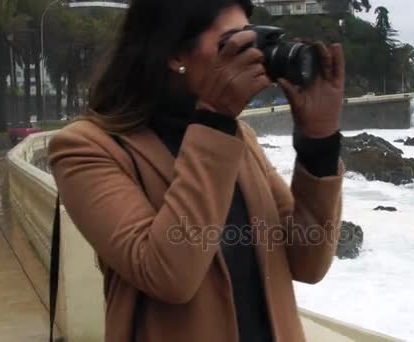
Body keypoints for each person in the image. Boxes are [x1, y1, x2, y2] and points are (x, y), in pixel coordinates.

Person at [48, 0, 345, 341]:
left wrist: (318, 146)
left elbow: (308, 262)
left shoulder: (238, 138)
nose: (251, 55)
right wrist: (216, 118)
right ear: (175, 54)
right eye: (233, 42)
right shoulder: (88, 148)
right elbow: (168, 274)